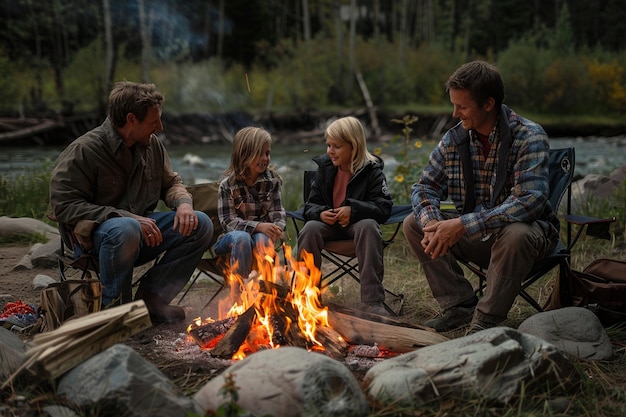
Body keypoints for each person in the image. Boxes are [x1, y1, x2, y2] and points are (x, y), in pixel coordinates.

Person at [402, 60, 560, 333]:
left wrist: (463, 224)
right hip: (479, 237)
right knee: (413, 224)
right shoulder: (454, 140)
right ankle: (460, 306)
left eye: (462, 107)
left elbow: (530, 201)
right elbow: (424, 187)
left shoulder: (528, 137)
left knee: (516, 234)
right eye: (453, 105)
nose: (454, 114)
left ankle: (485, 322)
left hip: (526, 242)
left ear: (488, 104)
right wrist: (432, 224)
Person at [50, 81, 214, 325]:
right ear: (131, 120)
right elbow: (62, 205)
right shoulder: (85, 150)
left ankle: (152, 300)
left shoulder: (152, 146)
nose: (160, 127)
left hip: (143, 232)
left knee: (200, 224)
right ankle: (118, 311)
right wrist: (123, 216)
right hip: (98, 240)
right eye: (154, 121)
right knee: (125, 228)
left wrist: (183, 204)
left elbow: (172, 183)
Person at [297, 116, 393, 316]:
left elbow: (383, 208)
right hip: (329, 228)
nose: (330, 151)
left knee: (368, 225)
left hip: (356, 228)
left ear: (354, 146)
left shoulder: (372, 171)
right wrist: (321, 213)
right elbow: (309, 207)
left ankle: (373, 301)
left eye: (337, 146)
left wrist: (353, 210)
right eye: (328, 145)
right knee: (309, 229)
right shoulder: (325, 169)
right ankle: (308, 297)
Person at [214, 126, 286, 288]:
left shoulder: (273, 181)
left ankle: (265, 290)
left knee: (262, 239)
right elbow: (228, 222)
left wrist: (276, 228)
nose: (265, 158)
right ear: (244, 155)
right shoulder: (228, 185)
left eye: (267, 153)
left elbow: (278, 212)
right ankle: (240, 290)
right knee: (242, 238)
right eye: (259, 154)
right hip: (231, 239)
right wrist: (258, 226)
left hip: (262, 238)